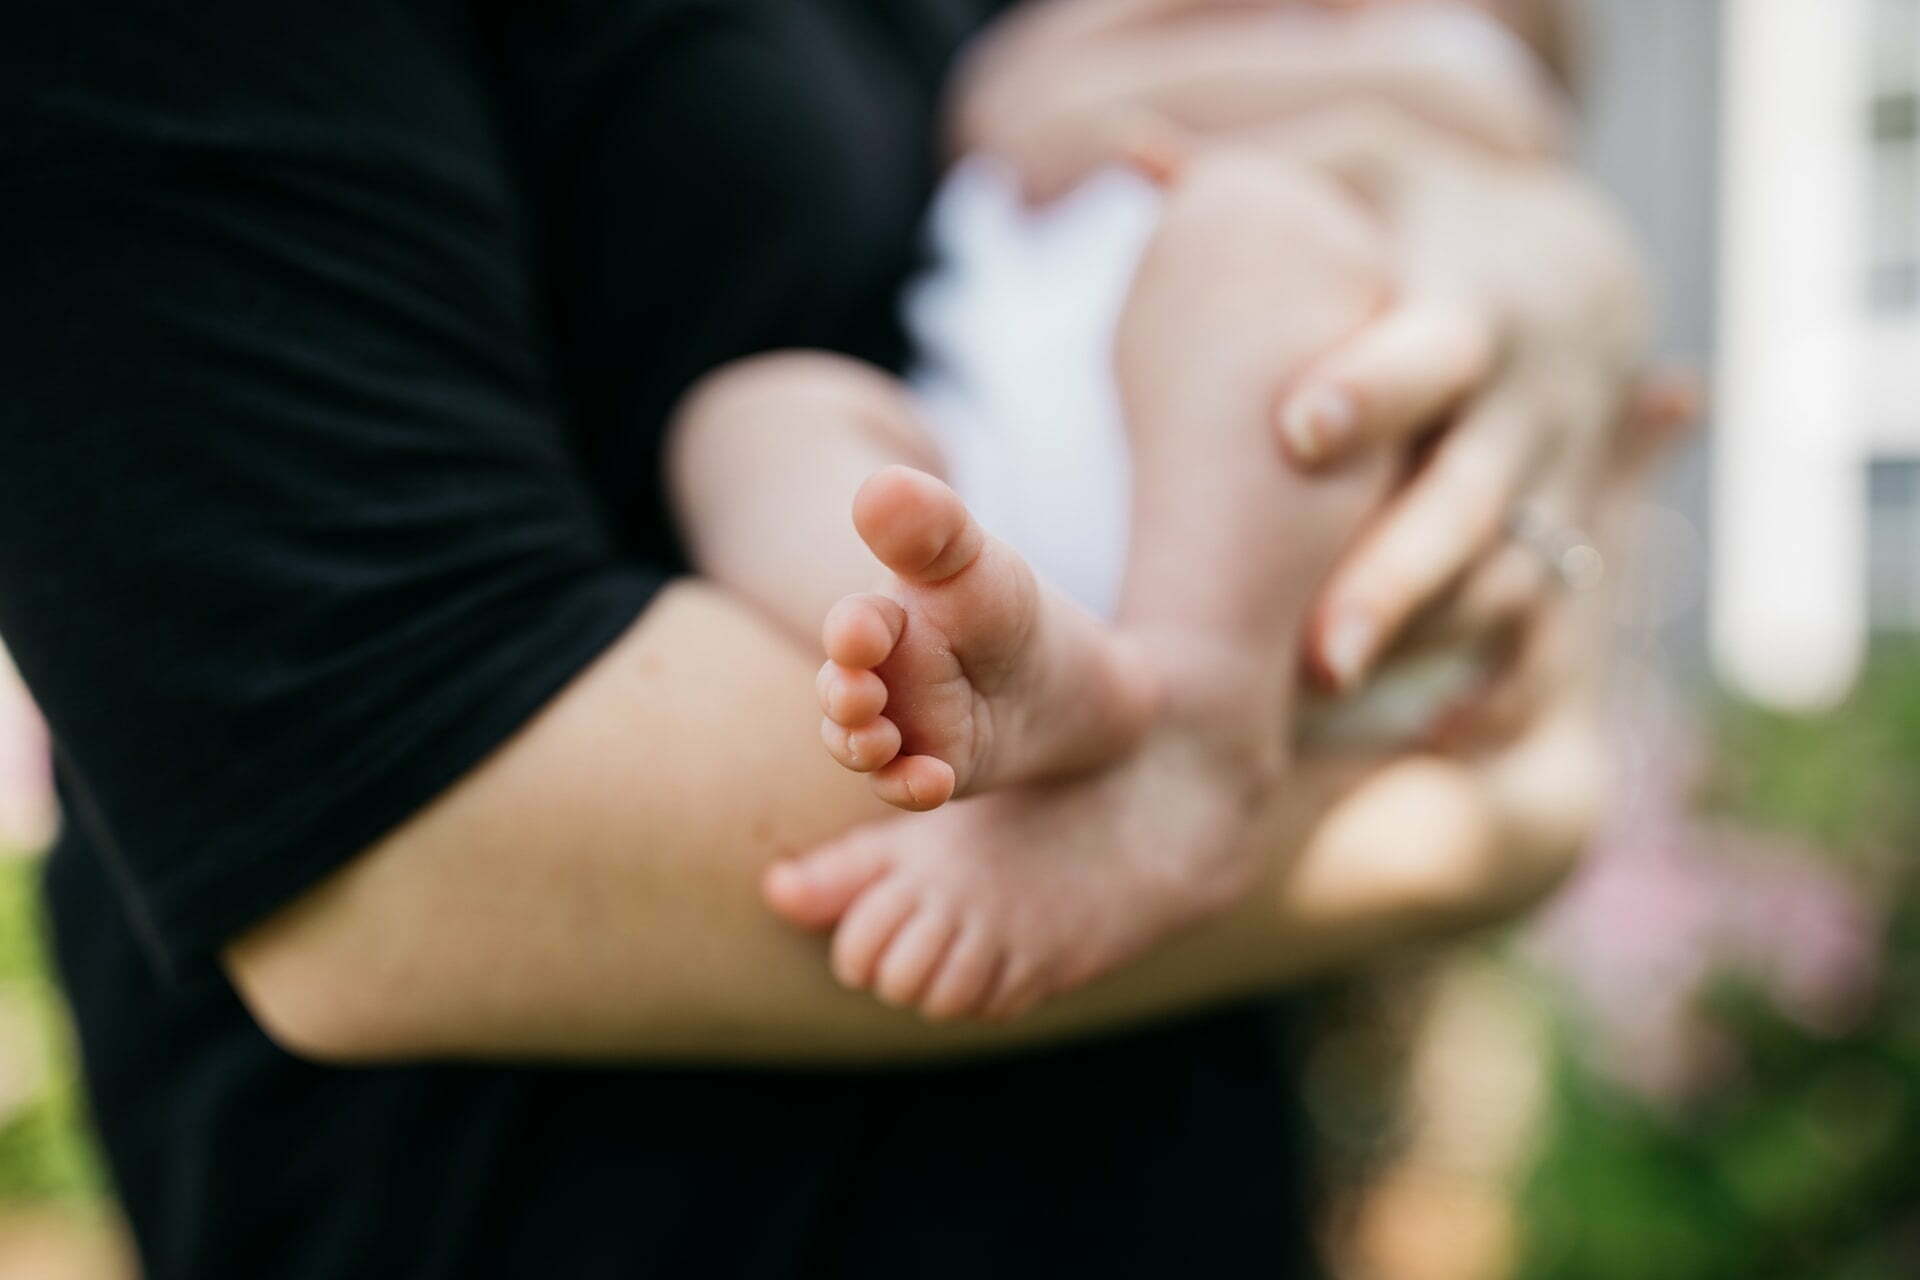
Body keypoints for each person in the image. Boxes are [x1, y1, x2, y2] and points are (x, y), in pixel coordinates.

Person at [0, 1, 1648, 1275]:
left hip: (1255, 491)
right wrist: (1499, 819)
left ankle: (1189, 723)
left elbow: (1496, 135)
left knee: (1251, 244)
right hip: (1015, 482)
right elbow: (395, 847)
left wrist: (1543, 239)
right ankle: (1007, 679)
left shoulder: (1402, 55)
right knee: (766, 416)